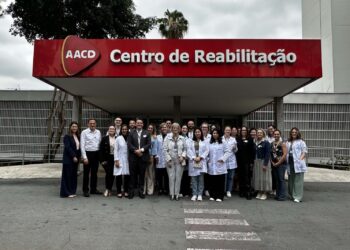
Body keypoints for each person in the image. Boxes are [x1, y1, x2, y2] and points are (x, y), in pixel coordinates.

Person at [127, 118, 151, 199]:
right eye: (138, 123)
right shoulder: (131, 133)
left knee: (142, 175)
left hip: (143, 157)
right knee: (132, 175)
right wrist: (136, 151)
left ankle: (141, 192)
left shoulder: (147, 133)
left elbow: (148, 144)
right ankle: (131, 192)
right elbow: (129, 144)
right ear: (135, 124)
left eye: (141, 123)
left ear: (143, 124)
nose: (139, 124)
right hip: (133, 157)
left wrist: (141, 150)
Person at [163, 123, 187, 201]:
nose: (175, 129)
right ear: (171, 129)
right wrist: (168, 159)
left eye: (177, 128)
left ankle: (177, 194)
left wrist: (183, 156)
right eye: (174, 128)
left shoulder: (182, 138)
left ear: (179, 129)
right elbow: (164, 149)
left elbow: (185, 149)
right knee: (171, 177)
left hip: (180, 160)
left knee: (178, 177)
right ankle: (171, 193)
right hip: (170, 160)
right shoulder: (167, 137)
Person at [81, 118, 102, 197]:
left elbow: (99, 143)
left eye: (94, 123)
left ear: (95, 124)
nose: (92, 125)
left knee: (94, 173)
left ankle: (93, 189)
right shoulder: (84, 132)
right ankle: (85, 190)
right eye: (91, 123)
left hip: (96, 154)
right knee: (86, 173)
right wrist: (84, 157)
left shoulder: (98, 132)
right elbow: (82, 145)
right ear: (88, 124)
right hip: (88, 154)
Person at [207, 129, 230, 202]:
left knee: (220, 182)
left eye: (216, 133)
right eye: (213, 133)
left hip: (220, 165)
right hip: (212, 165)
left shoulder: (223, 142)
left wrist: (223, 159)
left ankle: (220, 196)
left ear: (219, 134)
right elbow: (206, 153)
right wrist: (208, 160)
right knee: (212, 181)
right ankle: (212, 195)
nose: (215, 134)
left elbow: (228, 152)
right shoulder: (209, 143)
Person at [286, 127, 307, 203]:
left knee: (298, 181)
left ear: (298, 133)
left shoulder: (301, 141)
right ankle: (292, 194)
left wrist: (300, 160)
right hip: (290, 162)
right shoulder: (288, 141)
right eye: (292, 132)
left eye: (295, 132)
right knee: (291, 179)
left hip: (298, 163)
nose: (294, 133)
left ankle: (298, 196)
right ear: (290, 133)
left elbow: (304, 152)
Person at [187, 128, 209, 201]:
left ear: (201, 133)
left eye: (198, 132)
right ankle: (194, 194)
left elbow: (207, 150)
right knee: (193, 180)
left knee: (201, 179)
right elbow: (188, 150)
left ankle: (199, 194)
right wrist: (194, 157)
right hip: (194, 161)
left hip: (201, 161)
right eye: (196, 132)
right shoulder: (191, 142)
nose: (197, 133)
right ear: (194, 133)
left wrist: (200, 157)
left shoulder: (204, 141)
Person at [60, 121, 81, 198]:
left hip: (75, 160)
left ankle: (72, 191)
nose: (74, 128)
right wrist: (74, 156)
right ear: (70, 127)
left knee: (73, 176)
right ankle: (65, 193)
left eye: (76, 126)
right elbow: (68, 148)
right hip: (68, 159)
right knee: (67, 176)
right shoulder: (67, 136)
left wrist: (79, 157)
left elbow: (78, 148)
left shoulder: (78, 136)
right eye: (73, 126)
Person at [237, 126, 256, 200]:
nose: (243, 131)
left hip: (247, 162)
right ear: (241, 131)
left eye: (245, 130)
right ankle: (241, 191)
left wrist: (251, 162)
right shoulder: (238, 139)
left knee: (247, 177)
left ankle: (248, 192)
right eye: (242, 130)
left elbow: (252, 151)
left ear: (247, 131)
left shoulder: (250, 139)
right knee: (240, 176)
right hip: (239, 161)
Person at [253, 128, 271, 200]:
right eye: (258, 133)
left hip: (264, 162)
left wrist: (265, 164)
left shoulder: (266, 142)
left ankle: (264, 192)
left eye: (261, 133)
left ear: (263, 134)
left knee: (265, 178)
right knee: (258, 177)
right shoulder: (256, 142)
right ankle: (259, 191)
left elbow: (268, 154)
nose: (259, 134)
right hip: (257, 162)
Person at [99, 125, 117, 197]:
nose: (111, 130)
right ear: (108, 130)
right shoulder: (104, 138)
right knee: (108, 173)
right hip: (107, 159)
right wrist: (102, 160)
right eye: (110, 129)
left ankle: (110, 189)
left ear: (115, 131)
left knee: (113, 174)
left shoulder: (118, 138)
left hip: (115, 158)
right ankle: (107, 189)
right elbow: (101, 150)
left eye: (113, 129)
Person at [270, 129, 287, 201]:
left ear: (280, 135)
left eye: (278, 134)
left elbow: (285, 154)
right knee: (276, 180)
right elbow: (270, 154)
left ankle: (282, 196)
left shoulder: (282, 143)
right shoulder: (272, 143)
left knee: (281, 179)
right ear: (273, 135)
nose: (276, 135)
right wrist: (272, 162)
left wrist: (278, 163)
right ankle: (277, 195)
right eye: (275, 134)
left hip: (281, 164)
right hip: (274, 164)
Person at [114, 124, 130, 198]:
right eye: (123, 129)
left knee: (127, 175)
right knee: (119, 176)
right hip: (119, 158)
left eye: (125, 129)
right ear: (121, 130)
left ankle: (126, 191)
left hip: (127, 159)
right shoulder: (118, 138)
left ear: (127, 130)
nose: (124, 130)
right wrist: (116, 160)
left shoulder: (130, 138)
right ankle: (119, 191)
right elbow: (115, 150)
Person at [222, 126, 238, 198]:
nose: (228, 131)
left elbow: (236, 150)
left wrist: (235, 148)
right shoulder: (221, 139)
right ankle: (223, 190)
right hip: (223, 161)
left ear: (230, 131)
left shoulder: (233, 139)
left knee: (230, 177)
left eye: (229, 130)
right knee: (224, 177)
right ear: (224, 131)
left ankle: (229, 190)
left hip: (231, 161)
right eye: (226, 130)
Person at [155, 123, 169, 195]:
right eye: (162, 127)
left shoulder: (170, 137)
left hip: (167, 159)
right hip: (159, 159)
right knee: (159, 176)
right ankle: (160, 189)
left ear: (167, 128)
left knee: (166, 175)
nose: (164, 128)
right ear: (160, 129)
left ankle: (166, 189)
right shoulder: (157, 137)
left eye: (165, 127)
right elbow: (155, 148)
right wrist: (156, 156)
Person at [144, 124, 158, 195]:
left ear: (153, 130)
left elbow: (155, 148)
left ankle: (150, 190)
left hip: (150, 157)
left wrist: (152, 156)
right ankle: (143, 190)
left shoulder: (154, 137)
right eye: (149, 128)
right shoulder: (144, 136)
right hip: (143, 157)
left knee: (150, 174)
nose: (150, 129)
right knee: (144, 174)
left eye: (151, 128)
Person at [180, 124, 191, 198]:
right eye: (183, 128)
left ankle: (186, 192)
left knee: (186, 176)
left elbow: (190, 149)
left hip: (187, 159)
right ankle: (181, 191)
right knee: (180, 176)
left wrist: (187, 156)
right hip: (180, 159)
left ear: (187, 130)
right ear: (181, 129)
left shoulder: (190, 139)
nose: (184, 130)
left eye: (185, 128)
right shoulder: (179, 138)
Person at [201, 122, 211, 197]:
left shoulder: (210, 136)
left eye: (206, 127)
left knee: (208, 175)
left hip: (210, 159)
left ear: (208, 129)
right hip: (201, 158)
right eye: (203, 127)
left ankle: (207, 189)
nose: (204, 129)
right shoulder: (199, 136)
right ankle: (201, 190)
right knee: (201, 175)